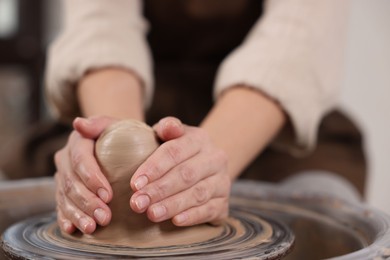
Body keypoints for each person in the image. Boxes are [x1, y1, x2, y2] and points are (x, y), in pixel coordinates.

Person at [45, 0, 366, 235]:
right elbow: (101, 26)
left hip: (271, 117)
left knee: (327, 215)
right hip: (134, 102)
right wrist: (116, 151)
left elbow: (297, 39)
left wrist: (201, 168)